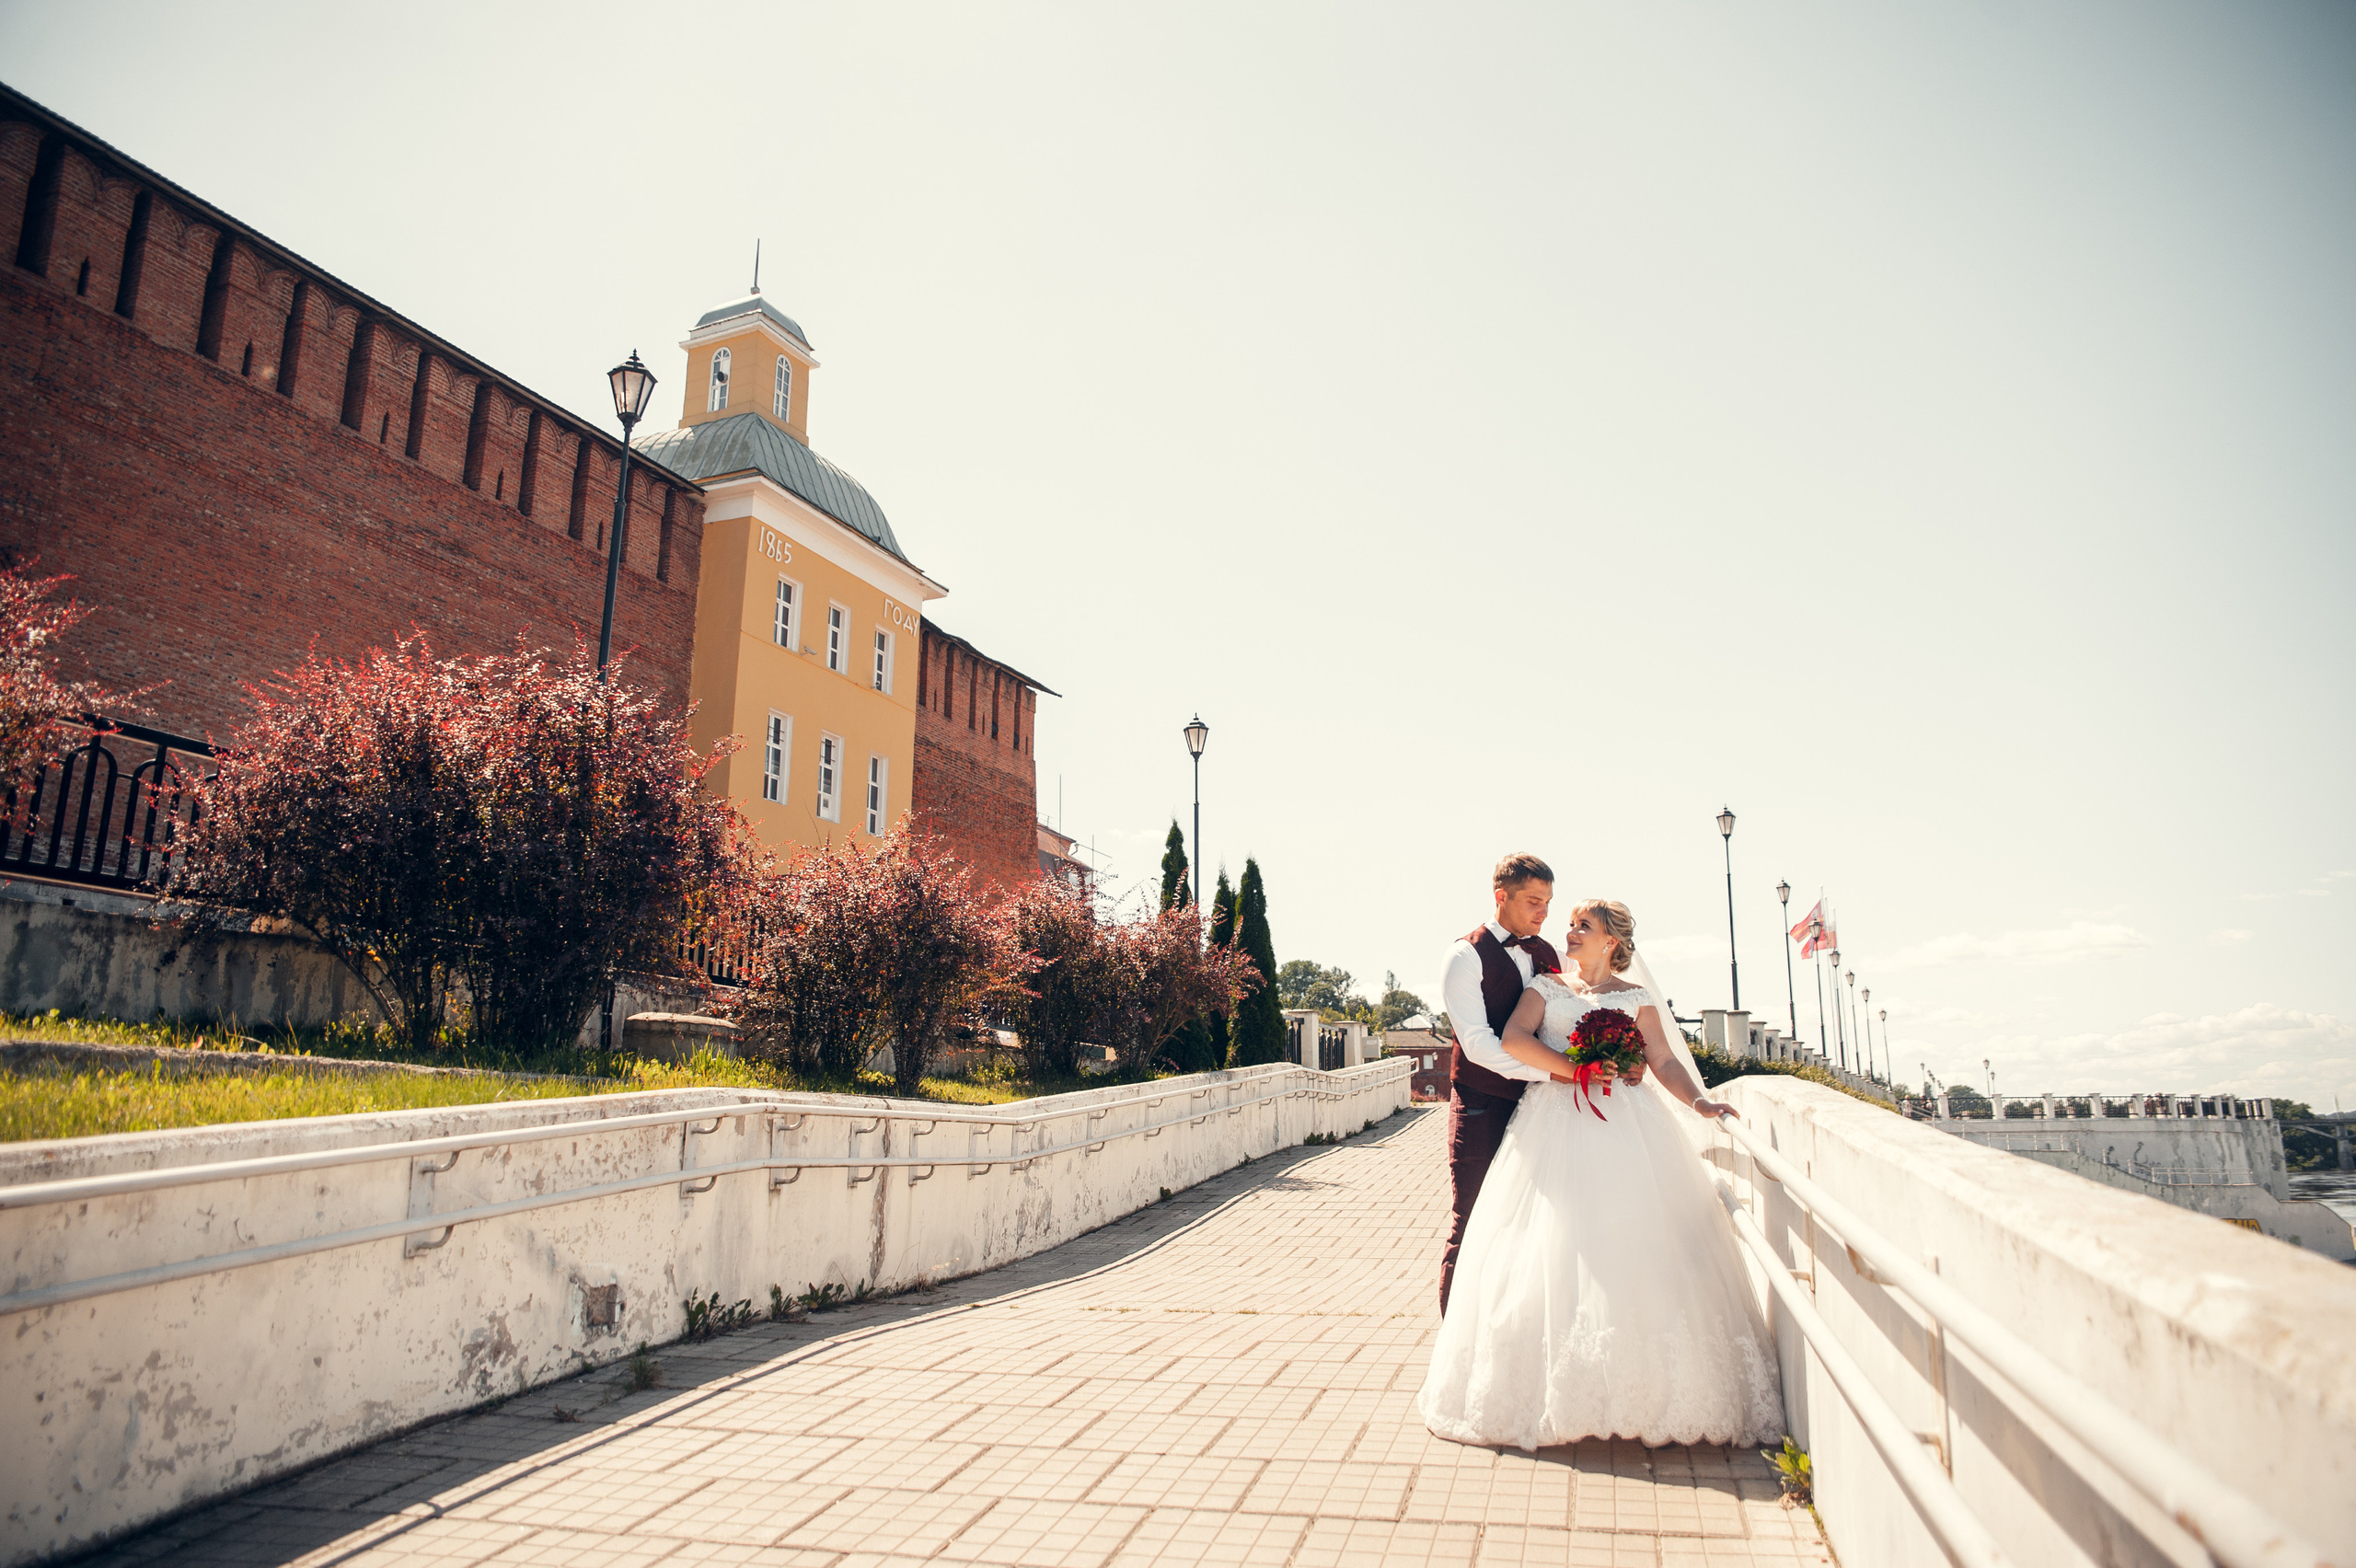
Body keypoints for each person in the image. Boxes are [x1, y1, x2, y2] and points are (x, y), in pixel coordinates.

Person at [1418, 897, 1783, 1451]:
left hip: (1628, 1127)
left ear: (1610, 942)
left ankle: (1638, 1394)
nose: (1568, 933)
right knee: (1552, 1247)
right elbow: (1515, 1039)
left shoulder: (1636, 1000)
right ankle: (1554, 1393)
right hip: (1554, 1121)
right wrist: (1575, 1067)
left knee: (1629, 1245)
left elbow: (1661, 1061)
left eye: (1581, 927)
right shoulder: (1546, 987)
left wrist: (1701, 1103)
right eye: (1570, 925)